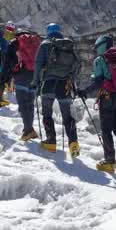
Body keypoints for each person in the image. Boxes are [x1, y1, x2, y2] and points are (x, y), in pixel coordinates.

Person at [77, 35, 116, 172]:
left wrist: (84, 91)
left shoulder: (100, 60)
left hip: (108, 99)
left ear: (101, 46)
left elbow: (98, 82)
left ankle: (109, 161)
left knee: (106, 130)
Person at [32, 23, 80, 156]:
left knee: (47, 113)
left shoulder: (45, 44)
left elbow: (37, 64)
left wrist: (35, 82)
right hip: (64, 84)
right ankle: (73, 143)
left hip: (48, 83)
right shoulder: (67, 45)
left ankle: (51, 141)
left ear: (48, 32)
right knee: (67, 116)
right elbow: (77, 65)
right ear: (59, 31)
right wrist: (72, 81)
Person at [12, 26, 42, 141]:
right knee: (30, 104)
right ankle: (29, 129)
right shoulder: (35, 43)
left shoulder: (17, 43)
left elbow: (13, 61)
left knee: (23, 105)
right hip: (34, 77)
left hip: (22, 77)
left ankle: (28, 131)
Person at [0, 22, 18, 108]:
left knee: (0, 79)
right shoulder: (12, 36)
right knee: (5, 79)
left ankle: (1, 99)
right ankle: (2, 99)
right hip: (7, 61)